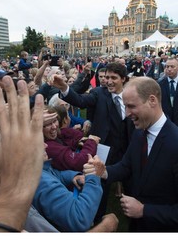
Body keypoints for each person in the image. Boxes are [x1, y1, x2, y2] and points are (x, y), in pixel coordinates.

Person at [83, 76, 178, 232]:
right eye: (125, 106)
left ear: (152, 100)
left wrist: (144, 210)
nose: (127, 113)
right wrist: (103, 172)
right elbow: (127, 166)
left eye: (131, 106)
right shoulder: (139, 132)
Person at [49, 62, 134, 222]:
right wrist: (64, 88)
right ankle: (96, 219)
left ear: (123, 79)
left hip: (127, 149)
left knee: (131, 183)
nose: (108, 81)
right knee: (100, 185)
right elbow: (80, 100)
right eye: (106, 77)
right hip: (103, 149)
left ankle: (133, 215)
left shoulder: (131, 94)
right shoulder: (98, 93)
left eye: (113, 78)